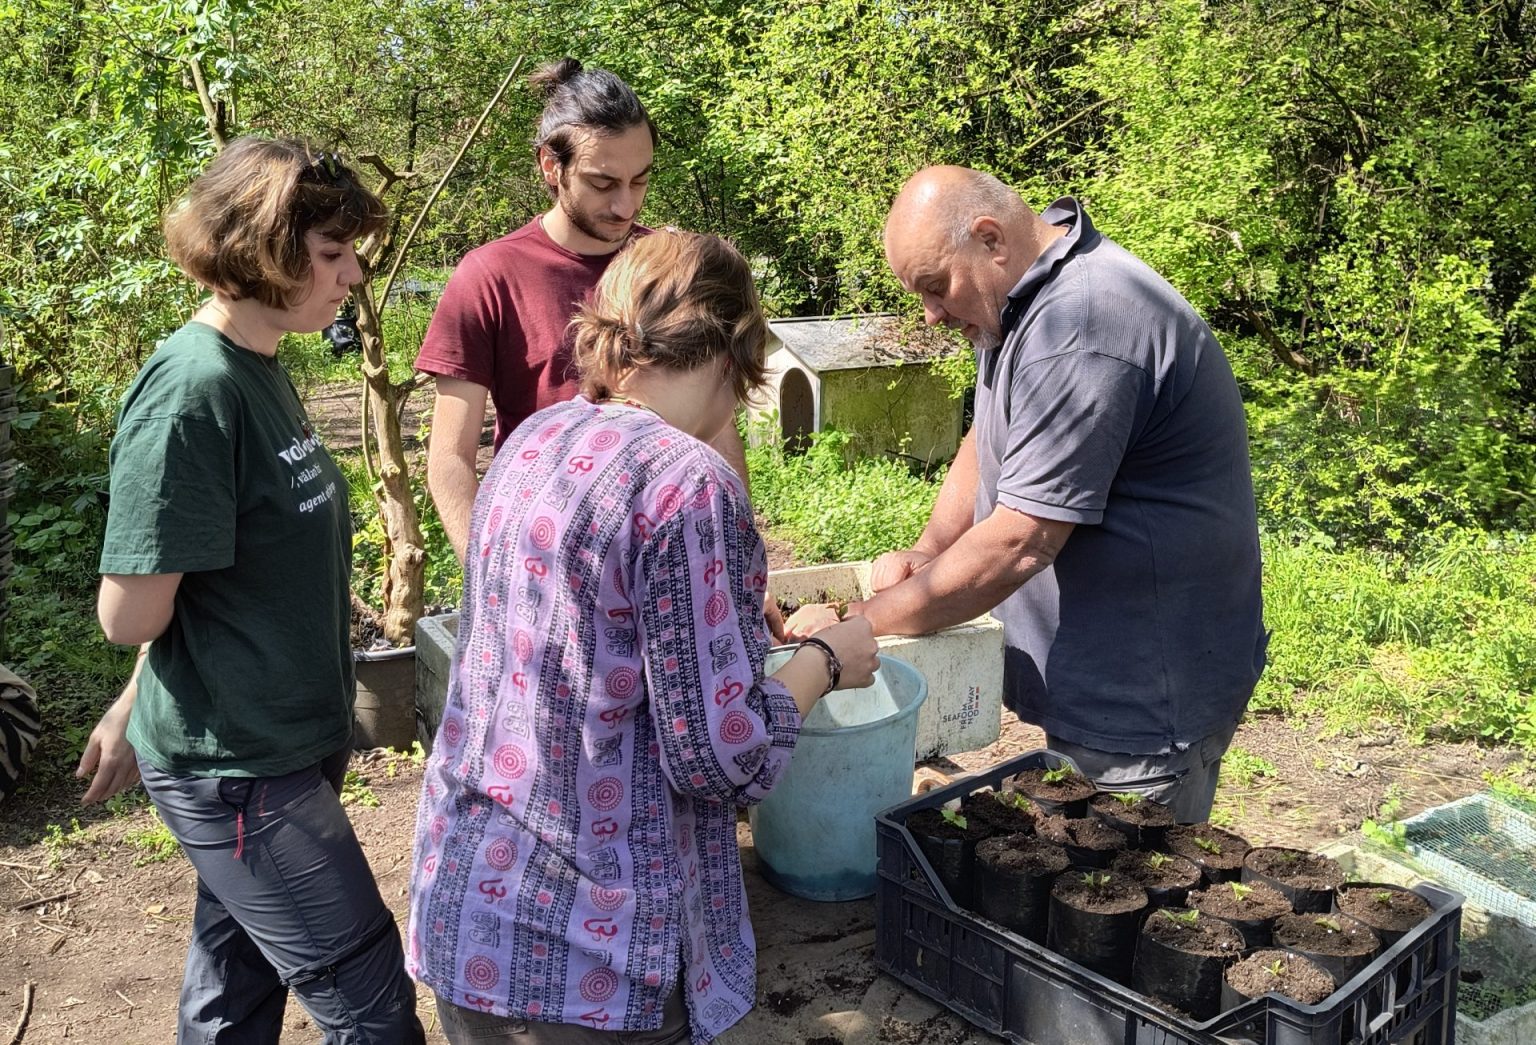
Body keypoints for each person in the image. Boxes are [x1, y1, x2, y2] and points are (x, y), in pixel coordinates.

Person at [407, 230, 880, 1044]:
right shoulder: (687, 481)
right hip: (590, 959)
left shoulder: (534, 440)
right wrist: (826, 660)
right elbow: (721, 756)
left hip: (472, 911)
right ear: (736, 350)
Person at [77, 136, 426, 1043]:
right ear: (261, 248)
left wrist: (133, 702)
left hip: (285, 741)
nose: (353, 275)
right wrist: (142, 699)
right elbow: (130, 613)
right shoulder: (192, 392)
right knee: (374, 1009)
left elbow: (211, 582)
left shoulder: (259, 365)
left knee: (233, 996)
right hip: (241, 770)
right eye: (332, 253)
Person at [790, 166, 1266, 823]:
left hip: (1143, 698)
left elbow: (1019, 543)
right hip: (1103, 682)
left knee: (1122, 876)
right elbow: (989, 433)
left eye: (935, 287)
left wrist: (855, 627)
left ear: (991, 238)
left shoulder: (1082, 327)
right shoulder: (1021, 301)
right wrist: (931, 550)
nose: (930, 314)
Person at [417, 58, 752, 565]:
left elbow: (717, 423)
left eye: (640, 180)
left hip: (672, 549)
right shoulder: (489, 275)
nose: (626, 206)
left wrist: (739, 554)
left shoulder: (669, 265)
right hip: (545, 559)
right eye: (603, 183)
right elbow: (450, 459)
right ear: (551, 167)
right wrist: (486, 574)